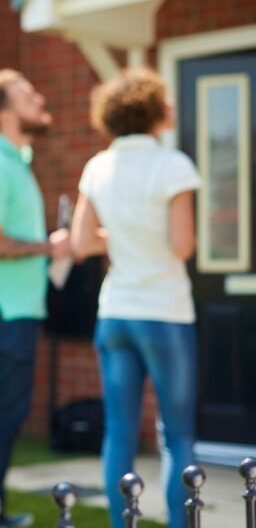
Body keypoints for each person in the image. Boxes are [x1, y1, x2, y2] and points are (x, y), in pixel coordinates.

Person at [70, 68, 199, 528]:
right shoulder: (174, 164)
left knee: (119, 432)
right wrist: (147, 234)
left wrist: (124, 235)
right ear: (153, 109)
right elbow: (183, 246)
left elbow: (81, 242)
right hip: (165, 314)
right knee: (177, 435)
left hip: (116, 315)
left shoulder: (98, 165)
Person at [0, 69, 70, 528]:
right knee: (0, 416)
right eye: (28, 94)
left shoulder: (12, 160)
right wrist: (50, 247)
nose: (40, 97)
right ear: (6, 112)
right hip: (4, 312)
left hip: (11, 309)